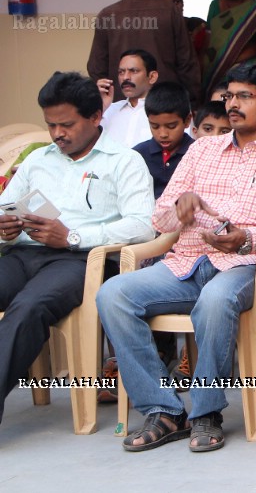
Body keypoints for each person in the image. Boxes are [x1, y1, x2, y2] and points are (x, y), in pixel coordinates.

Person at [96, 64, 256, 453]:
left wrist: (247, 239)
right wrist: (181, 206)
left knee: (215, 300)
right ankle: (163, 409)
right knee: (112, 294)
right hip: (186, 260)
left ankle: (205, 412)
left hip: (249, 264)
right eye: (229, 96)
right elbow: (160, 215)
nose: (232, 104)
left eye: (244, 96)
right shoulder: (202, 148)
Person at [0, 72, 155, 425]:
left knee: (29, 308)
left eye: (66, 124)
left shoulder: (123, 161)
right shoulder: (39, 160)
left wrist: (72, 237)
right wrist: (5, 228)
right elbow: (5, 205)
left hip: (81, 261)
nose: (57, 134)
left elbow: (142, 224)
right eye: (51, 125)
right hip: (22, 253)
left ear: (95, 117)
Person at [88, 0, 202, 105]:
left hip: (123, 104)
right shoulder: (169, 11)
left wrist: (114, 98)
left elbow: (96, 68)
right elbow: (187, 63)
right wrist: (192, 100)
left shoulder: (106, 15)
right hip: (166, 105)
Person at [133, 82, 193, 199]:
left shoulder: (197, 153)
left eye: (171, 126)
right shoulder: (137, 155)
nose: (163, 134)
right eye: (155, 126)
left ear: (187, 121)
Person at [97, 48, 160, 148]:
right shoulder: (108, 110)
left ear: (152, 77)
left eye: (133, 71)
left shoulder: (166, 111)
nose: (125, 77)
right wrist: (101, 108)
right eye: (121, 72)